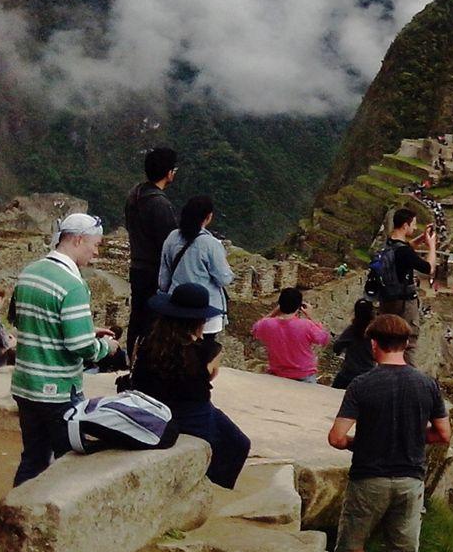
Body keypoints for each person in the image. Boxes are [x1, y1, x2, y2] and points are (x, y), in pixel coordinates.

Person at [328, 314, 450, 552]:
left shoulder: (362, 384)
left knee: (352, 545)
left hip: (369, 477)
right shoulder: (426, 385)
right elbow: (443, 434)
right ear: (406, 345)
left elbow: (337, 437)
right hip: (410, 481)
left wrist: (362, 442)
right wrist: (412, 435)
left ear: (373, 344)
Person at [7, 214, 121, 484]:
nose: (96, 251)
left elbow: (31, 322)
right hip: (56, 392)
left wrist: (87, 329)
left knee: (33, 458)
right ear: (79, 239)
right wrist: (106, 346)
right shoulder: (72, 284)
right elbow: (81, 346)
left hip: (25, 386)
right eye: (95, 244)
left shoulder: (30, 272)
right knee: (70, 463)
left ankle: (13, 518)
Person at [132, 283, 250, 489]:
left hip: (151, 408)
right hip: (193, 415)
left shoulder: (147, 343)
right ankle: (214, 485)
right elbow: (209, 378)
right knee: (237, 444)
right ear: (198, 322)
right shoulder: (206, 352)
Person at [124, 147, 178, 361]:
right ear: (169, 173)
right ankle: (147, 366)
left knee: (137, 318)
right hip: (154, 270)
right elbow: (169, 244)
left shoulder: (135, 195)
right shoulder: (160, 204)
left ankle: (132, 363)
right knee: (153, 321)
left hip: (137, 266)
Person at [158, 196, 233, 338]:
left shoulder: (172, 237)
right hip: (205, 312)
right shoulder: (211, 244)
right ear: (209, 217)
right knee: (204, 354)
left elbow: (163, 278)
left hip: (176, 307)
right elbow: (224, 279)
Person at [374, 209, 436, 355]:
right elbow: (429, 268)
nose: (414, 228)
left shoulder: (388, 243)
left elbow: (406, 249)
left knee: (388, 337)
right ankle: (407, 375)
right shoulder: (404, 252)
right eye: (413, 224)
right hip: (404, 303)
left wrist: (423, 238)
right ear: (405, 226)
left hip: (387, 299)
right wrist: (432, 246)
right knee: (408, 342)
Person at [251, 288, 331, 382]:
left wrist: (274, 312)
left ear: (280, 304)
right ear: (299, 306)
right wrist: (312, 317)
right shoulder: (306, 325)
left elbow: (255, 329)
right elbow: (325, 338)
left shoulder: (267, 324)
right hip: (303, 374)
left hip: (277, 373)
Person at [331, 300, 376, 390]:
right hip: (368, 374)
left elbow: (336, 347)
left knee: (333, 392)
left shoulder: (351, 330)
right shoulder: (376, 331)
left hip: (348, 374)